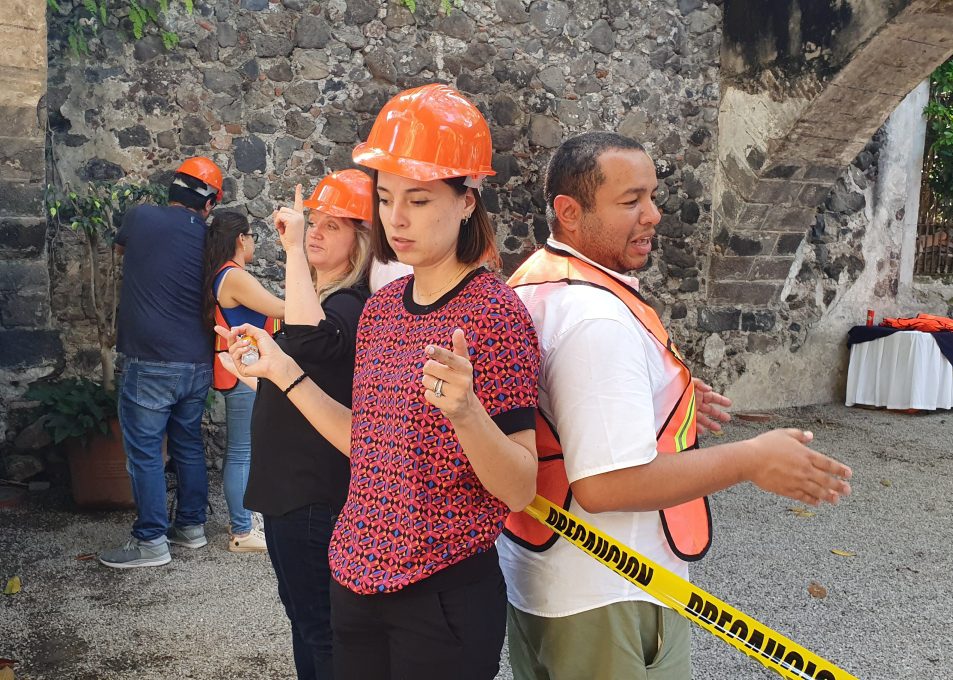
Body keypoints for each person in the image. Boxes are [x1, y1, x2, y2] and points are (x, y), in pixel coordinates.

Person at [497, 132, 854, 679]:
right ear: (569, 212)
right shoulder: (597, 319)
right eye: (630, 200)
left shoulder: (532, 285)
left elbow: (561, 416)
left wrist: (670, 400)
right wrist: (750, 459)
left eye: (652, 196)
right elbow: (607, 485)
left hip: (547, 580)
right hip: (610, 591)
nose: (654, 215)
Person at [219, 84, 540, 680]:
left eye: (418, 200)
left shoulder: (495, 313)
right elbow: (365, 441)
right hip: (356, 577)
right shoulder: (384, 309)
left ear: (468, 199)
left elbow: (521, 487)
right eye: (387, 198)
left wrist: (466, 414)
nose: (396, 219)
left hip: (440, 591)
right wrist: (279, 368)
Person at [219, 170, 378, 680]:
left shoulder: (348, 305)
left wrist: (289, 252)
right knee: (306, 623)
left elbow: (310, 342)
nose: (315, 232)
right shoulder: (327, 301)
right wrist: (254, 371)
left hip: (313, 496)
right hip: (296, 494)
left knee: (321, 630)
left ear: (360, 239)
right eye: (314, 222)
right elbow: (301, 389)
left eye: (333, 226)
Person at [99, 157, 223, 569]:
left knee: (146, 453)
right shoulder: (210, 239)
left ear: (172, 189)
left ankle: (151, 541)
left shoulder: (141, 218)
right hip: (197, 362)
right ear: (208, 204)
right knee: (187, 444)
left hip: (150, 360)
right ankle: (191, 528)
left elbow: (120, 250)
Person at [202, 210, 284, 553]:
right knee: (241, 451)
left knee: (243, 448)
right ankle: (242, 529)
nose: (253, 242)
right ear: (241, 239)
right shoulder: (233, 275)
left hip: (242, 367)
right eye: (252, 236)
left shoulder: (224, 274)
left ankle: (244, 519)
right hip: (244, 369)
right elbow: (281, 308)